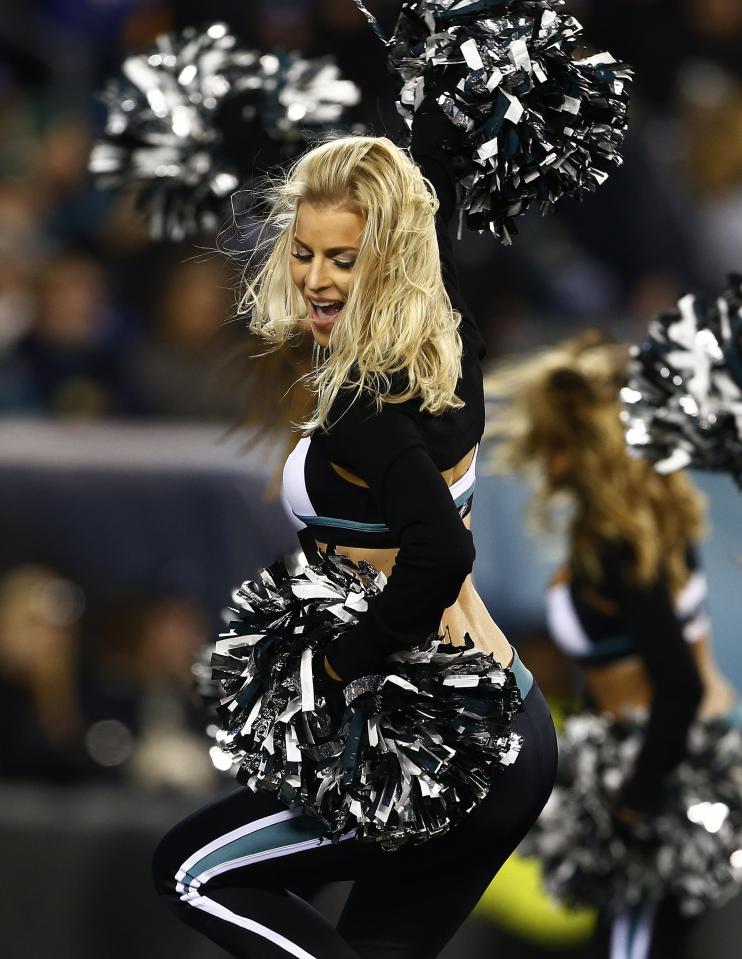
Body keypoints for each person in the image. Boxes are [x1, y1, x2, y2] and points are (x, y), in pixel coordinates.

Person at [152, 99, 557, 959]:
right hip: (506, 728)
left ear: (387, 258)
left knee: (194, 871)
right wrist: (438, 93)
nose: (317, 278)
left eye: (345, 257)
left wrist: (341, 661)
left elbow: (443, 551)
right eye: (303, 253)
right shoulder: (447, 339)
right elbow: (426, 209)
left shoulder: (367, 405)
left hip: (442, 744)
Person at [486, 331, 738, 959]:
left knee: (632, 947)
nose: (544, 461)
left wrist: (632, 806)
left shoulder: (620, 553)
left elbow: (676, 686)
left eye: (554, 445)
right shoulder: (654, 527)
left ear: (578, 452)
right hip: (661, 765)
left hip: (655, 777)